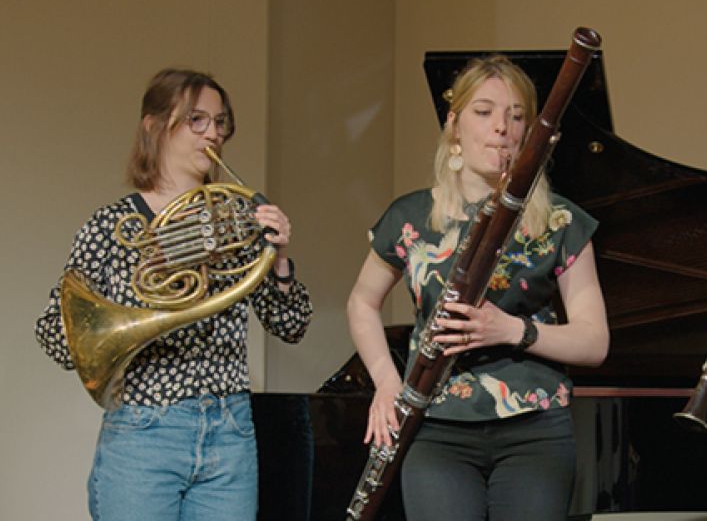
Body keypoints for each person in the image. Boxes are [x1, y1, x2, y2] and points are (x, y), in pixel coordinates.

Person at [35, 68, 313, 520]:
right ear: (154, 126)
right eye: (196, 120)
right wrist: (143, 305)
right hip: (146, 430)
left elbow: (292, 325)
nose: (213, 134)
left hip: (230, 429)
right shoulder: (111, 226)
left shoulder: (239, 218)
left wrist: (279, 259)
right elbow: (54, 333)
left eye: (220, 122)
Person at [347, 54, 609, 521]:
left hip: (535, 430)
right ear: (454, 125)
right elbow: (362, 303)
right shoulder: (409, 218)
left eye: (515, 116)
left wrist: (511, 330)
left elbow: (594, 341)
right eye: (483, 112)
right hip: (434, 426)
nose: (501, 128)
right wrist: (387, 382)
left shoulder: (559, 221)